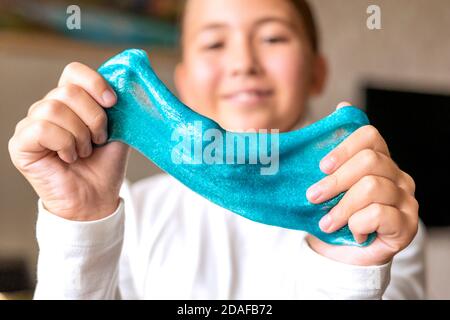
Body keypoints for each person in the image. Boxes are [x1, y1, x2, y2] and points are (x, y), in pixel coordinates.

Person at [8, 0, 425, 299]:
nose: (243, 63)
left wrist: (349, 265)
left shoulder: (379, 218)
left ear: (317, 72)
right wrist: (81, 225)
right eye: (213, 43)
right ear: (184, 82)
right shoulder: (135, 215)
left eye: (273, 38)